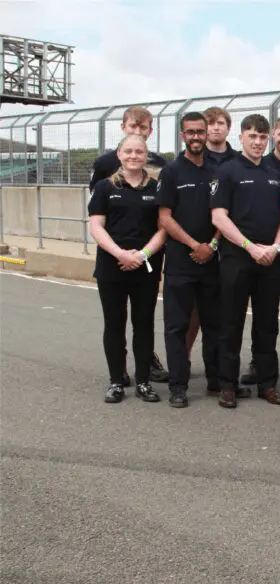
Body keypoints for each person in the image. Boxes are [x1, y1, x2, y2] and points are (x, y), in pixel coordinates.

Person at [210, 113, 280, 408]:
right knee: (230, 323)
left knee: (267, 324)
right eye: (251, 136)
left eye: (262, 137)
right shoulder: (227, 171)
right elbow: (219, 216)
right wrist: (250, 247)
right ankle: (227, 385)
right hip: (236, 258)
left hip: (270, 260)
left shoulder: (275, 173)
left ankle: (268, 384)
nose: (257, 142)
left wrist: (274, 248)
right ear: (241, 137)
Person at [89, 106, 169, 385]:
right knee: (115, 324)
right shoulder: (104, 177)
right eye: (133, 128)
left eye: (144, 129)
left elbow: (163, 224)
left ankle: (145, 375)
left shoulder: (159, 176)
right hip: (113, 261)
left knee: (144, 324)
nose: (135, 153)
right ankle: (117, 377)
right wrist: (120, 253)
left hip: (146, 262)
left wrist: (143, 254)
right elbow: (97, 221)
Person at [156, 112, 224, 408]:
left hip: (212, 260)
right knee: (177, 326)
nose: (196, 137)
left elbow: (225, 213)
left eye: (200, 131)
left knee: (213, 324)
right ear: (183, 135)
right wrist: (195, 245)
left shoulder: (218, 170)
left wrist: (212, 245)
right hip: (180, 263)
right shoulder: (171, 172)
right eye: (190, 132)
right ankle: (178, 386)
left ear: (207, 132)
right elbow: (164, 218)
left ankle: (215, 380)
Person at [240, 115, 280, 388]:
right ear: (273, 135)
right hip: (263, 252)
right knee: (264, 312)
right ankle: (258, 362)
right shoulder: (262, 165)